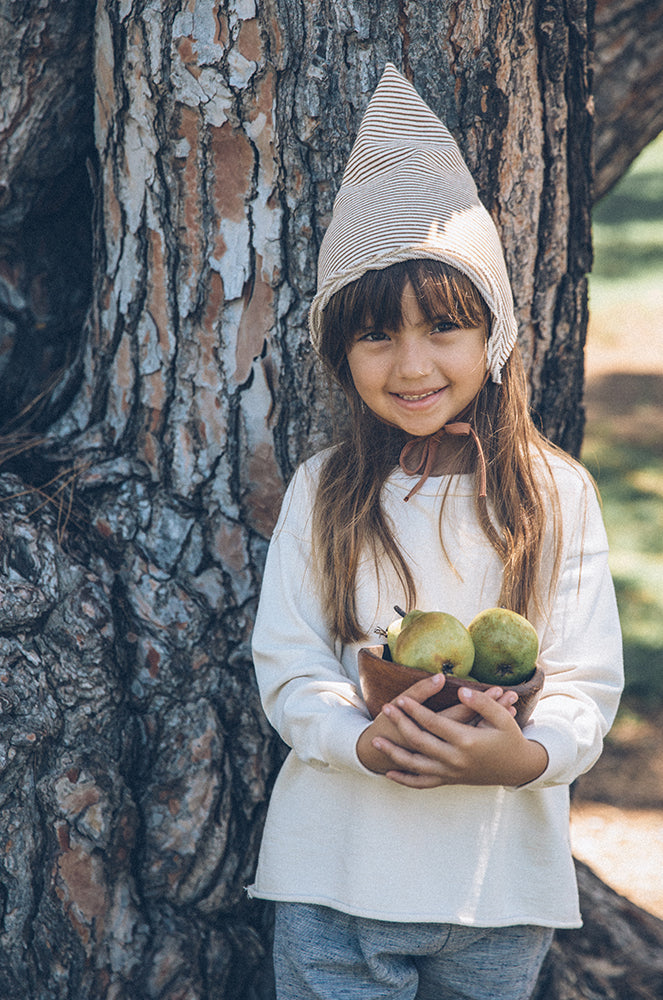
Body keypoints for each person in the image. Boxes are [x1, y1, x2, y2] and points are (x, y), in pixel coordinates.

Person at [248, 64, 623, 1000]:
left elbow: (583, 678)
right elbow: (290, 665)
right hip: (334, 881)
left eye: (444, 328)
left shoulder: (553, 495)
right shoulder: (326, 491)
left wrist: (526, 756)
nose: (412, 364)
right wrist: (357, 740)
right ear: (340, 354)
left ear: (491, 337)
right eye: (376, 336)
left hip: (498, 888)